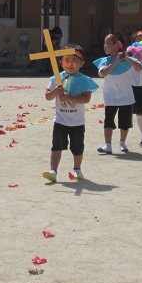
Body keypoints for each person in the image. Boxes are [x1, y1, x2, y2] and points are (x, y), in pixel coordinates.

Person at [43, 46, 99, 183]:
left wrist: (69, 98)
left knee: (77, 147)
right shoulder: (56, 78)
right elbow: (48, 96)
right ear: (61, 62)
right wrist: (57, 89)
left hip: (77, 122)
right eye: (66, 60)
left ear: (82, 63)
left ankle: (77, 169)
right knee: (56, 145)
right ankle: (53, 171)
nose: (70, 63)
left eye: (74, 60)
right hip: (60, 121)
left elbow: (86, 98)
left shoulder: (85, 80)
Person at [94, 33, 142, 154]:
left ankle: (122, 143)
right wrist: (116, 61)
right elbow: (103, 73)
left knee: (124, 122)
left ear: (116, 45)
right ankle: (108, 145)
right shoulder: (105, 61)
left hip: (126, 96)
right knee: (108, 121)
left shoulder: (128, 60)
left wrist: (126, 58)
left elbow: (139, 68)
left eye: (107, 43)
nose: (105, 46)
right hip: (110, 97)